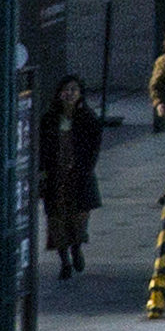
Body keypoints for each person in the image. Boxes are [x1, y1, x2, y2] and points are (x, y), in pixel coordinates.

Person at [36, 73, 102, 282]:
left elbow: (93, 149)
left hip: (79, 177)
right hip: (55, 177)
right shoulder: (49, 118)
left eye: (74, 90)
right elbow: (42, 148)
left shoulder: (88, 118)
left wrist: (84, 169)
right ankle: (64, 260)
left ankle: (76, 248)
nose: (70, 94)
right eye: (66, 90)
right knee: (56, 220)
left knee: (78, 218)